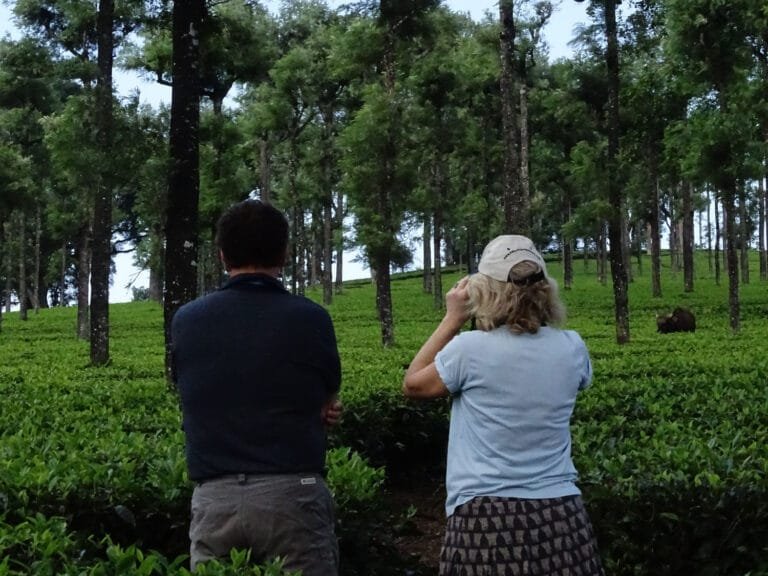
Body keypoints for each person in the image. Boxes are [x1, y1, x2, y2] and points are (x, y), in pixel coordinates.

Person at [403, 234, 604, 576]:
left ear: (484, 290)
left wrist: (453, 318)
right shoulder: (572, 347)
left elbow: (413, 384)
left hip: (486, 515)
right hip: (562, 513)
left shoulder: (469, 350)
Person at [171, 199, 342, 575]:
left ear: (221, 255)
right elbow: (327, 394)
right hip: (292, 494)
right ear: (284, 253)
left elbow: (186, 388)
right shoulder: (310, 317)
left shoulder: (187, 320)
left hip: (214, 500)